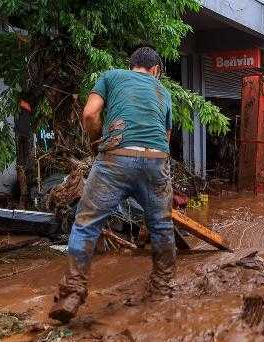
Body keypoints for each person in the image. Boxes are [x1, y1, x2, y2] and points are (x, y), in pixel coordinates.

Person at [49, 47, 176, 323]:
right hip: (156, 159)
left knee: (86, 223)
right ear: (156, 70)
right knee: (162, 225)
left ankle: (72, 291)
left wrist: (97, 143)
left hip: (116, 156)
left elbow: (89, 115)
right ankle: (162, 290)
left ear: (131, 65)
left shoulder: (110, 76)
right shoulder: (162, 92)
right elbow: (166, 137)